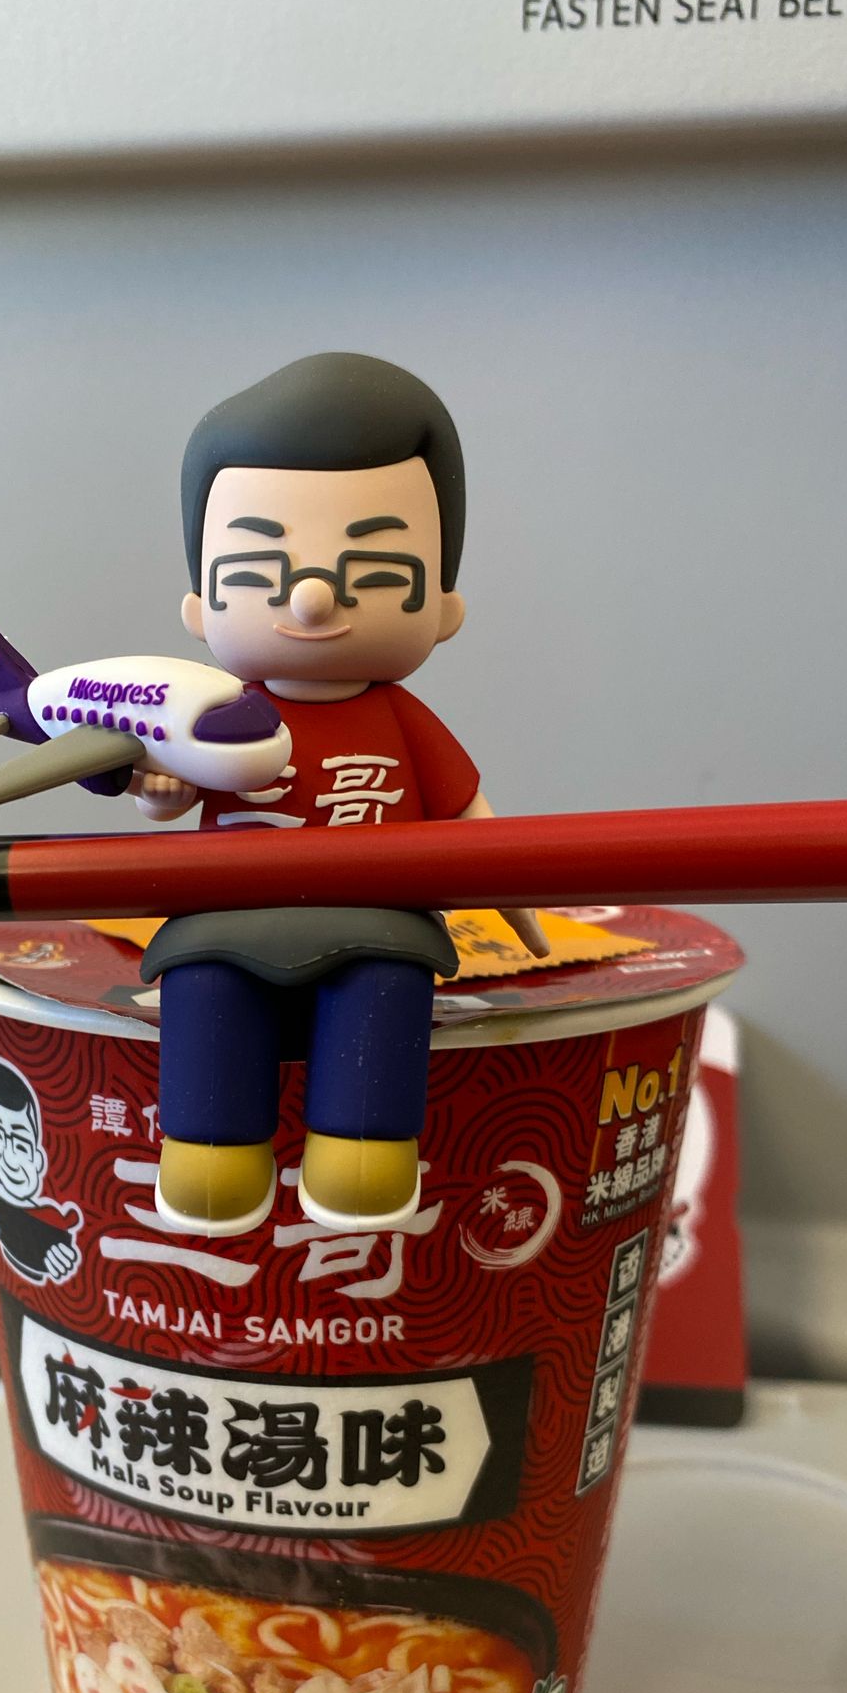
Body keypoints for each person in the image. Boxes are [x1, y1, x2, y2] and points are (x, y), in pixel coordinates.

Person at [134, 352, 546, 1238]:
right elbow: (165, 799)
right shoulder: (216, 714)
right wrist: (160, 790)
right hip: (223, 918)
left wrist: (521, 907)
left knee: (385, 990)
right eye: (260, 568)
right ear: (201, 605)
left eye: (376, 569)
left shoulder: (404, 721)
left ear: (443, 605)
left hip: (378, 925)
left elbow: (472, 826)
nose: (315, 599)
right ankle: (208, 1158)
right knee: (203, 987)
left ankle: (363, 1155)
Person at [0, 1057, 82, 1285]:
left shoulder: (53, 1227)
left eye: (21, 1144)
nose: (10, 1157)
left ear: (38, 1158)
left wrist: (61, 1253)